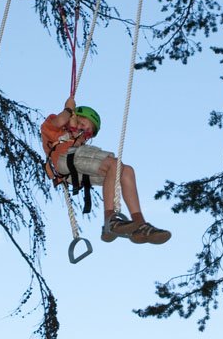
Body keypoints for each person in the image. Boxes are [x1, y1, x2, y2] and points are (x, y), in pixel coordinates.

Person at [40, 97, 171, 245]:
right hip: (65, 158)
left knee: (126, 171)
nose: (83, 132)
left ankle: (139, 223)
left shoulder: (79, 143)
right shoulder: (54, 128)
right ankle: (110, 220)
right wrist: (68, 109)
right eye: (82, 124)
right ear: (74, 118)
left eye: (88, 132)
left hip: (75, 172)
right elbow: (59, 121)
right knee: (114, 164)